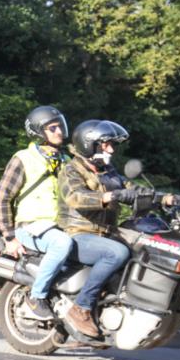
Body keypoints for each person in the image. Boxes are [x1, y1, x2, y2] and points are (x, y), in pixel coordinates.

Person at [57, 119, 138, 340]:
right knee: (117, 253)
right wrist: (110, 196)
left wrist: (168, 199)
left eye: (112, 144)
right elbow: (76, 197)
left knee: (144, 247)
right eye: (106, 144)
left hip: (105, 234)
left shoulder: (108, 171)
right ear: (89, 144)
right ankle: (81, 308)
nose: (111, 149)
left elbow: (127, 188)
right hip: (78, 234)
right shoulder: (71, 169)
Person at [0, 105, 74, 320]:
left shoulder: (66, 161)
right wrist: (9, 237)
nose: (59, 132)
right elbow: (2, 199)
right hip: (30, 227)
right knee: (62, 244)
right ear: (39, 131)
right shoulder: (23, 158)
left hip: (59, 227)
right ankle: (35, 298)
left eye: (60, 126)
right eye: (52, 128)